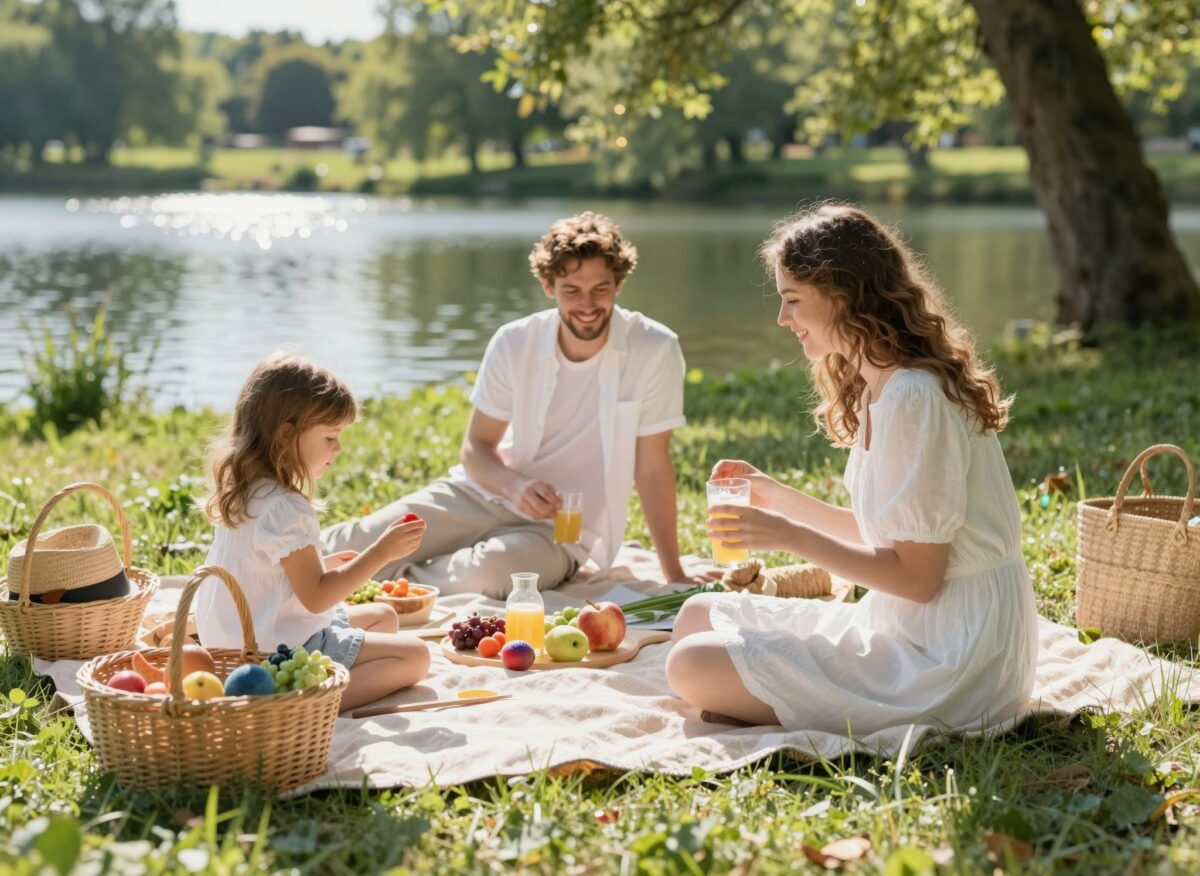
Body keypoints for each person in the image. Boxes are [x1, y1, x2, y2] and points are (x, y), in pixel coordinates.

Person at [666, 203, 1038, 733]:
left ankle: (782, 697)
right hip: (906, 624)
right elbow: (888, 537)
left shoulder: (915, 396)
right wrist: (776, 498)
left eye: (793, 300)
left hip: (954, 653)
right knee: (696, 616)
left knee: (691, 663)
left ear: (844, 296)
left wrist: (789, 536)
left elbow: (918, 579)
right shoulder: (878, 385)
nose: (782, 319)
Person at [322, 211, 708, 597]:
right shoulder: (514, 341)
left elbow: (653, 468)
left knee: (491, 575)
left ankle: (386, 581)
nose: (587, 305)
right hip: (483, 492)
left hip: (562, 528)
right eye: (571, 290)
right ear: (547, 285)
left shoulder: (655, 348)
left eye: (600, 289)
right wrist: (516, 486)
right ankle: (295, 569)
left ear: (619, 284)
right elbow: (476, 449)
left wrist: (674, 573)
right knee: (358, 540)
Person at [195, 353, 431, 711]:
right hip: (273, 653)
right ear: (287, 435)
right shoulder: (286, 508)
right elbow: (318, 598)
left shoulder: (247, 489)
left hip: (230, 639)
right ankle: (303, 703)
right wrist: (381, 553)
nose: (338, 448)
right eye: (330, 436)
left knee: (386, 616)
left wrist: (325, 562)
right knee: (416, 657)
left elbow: (265, 568)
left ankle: (321, 679)